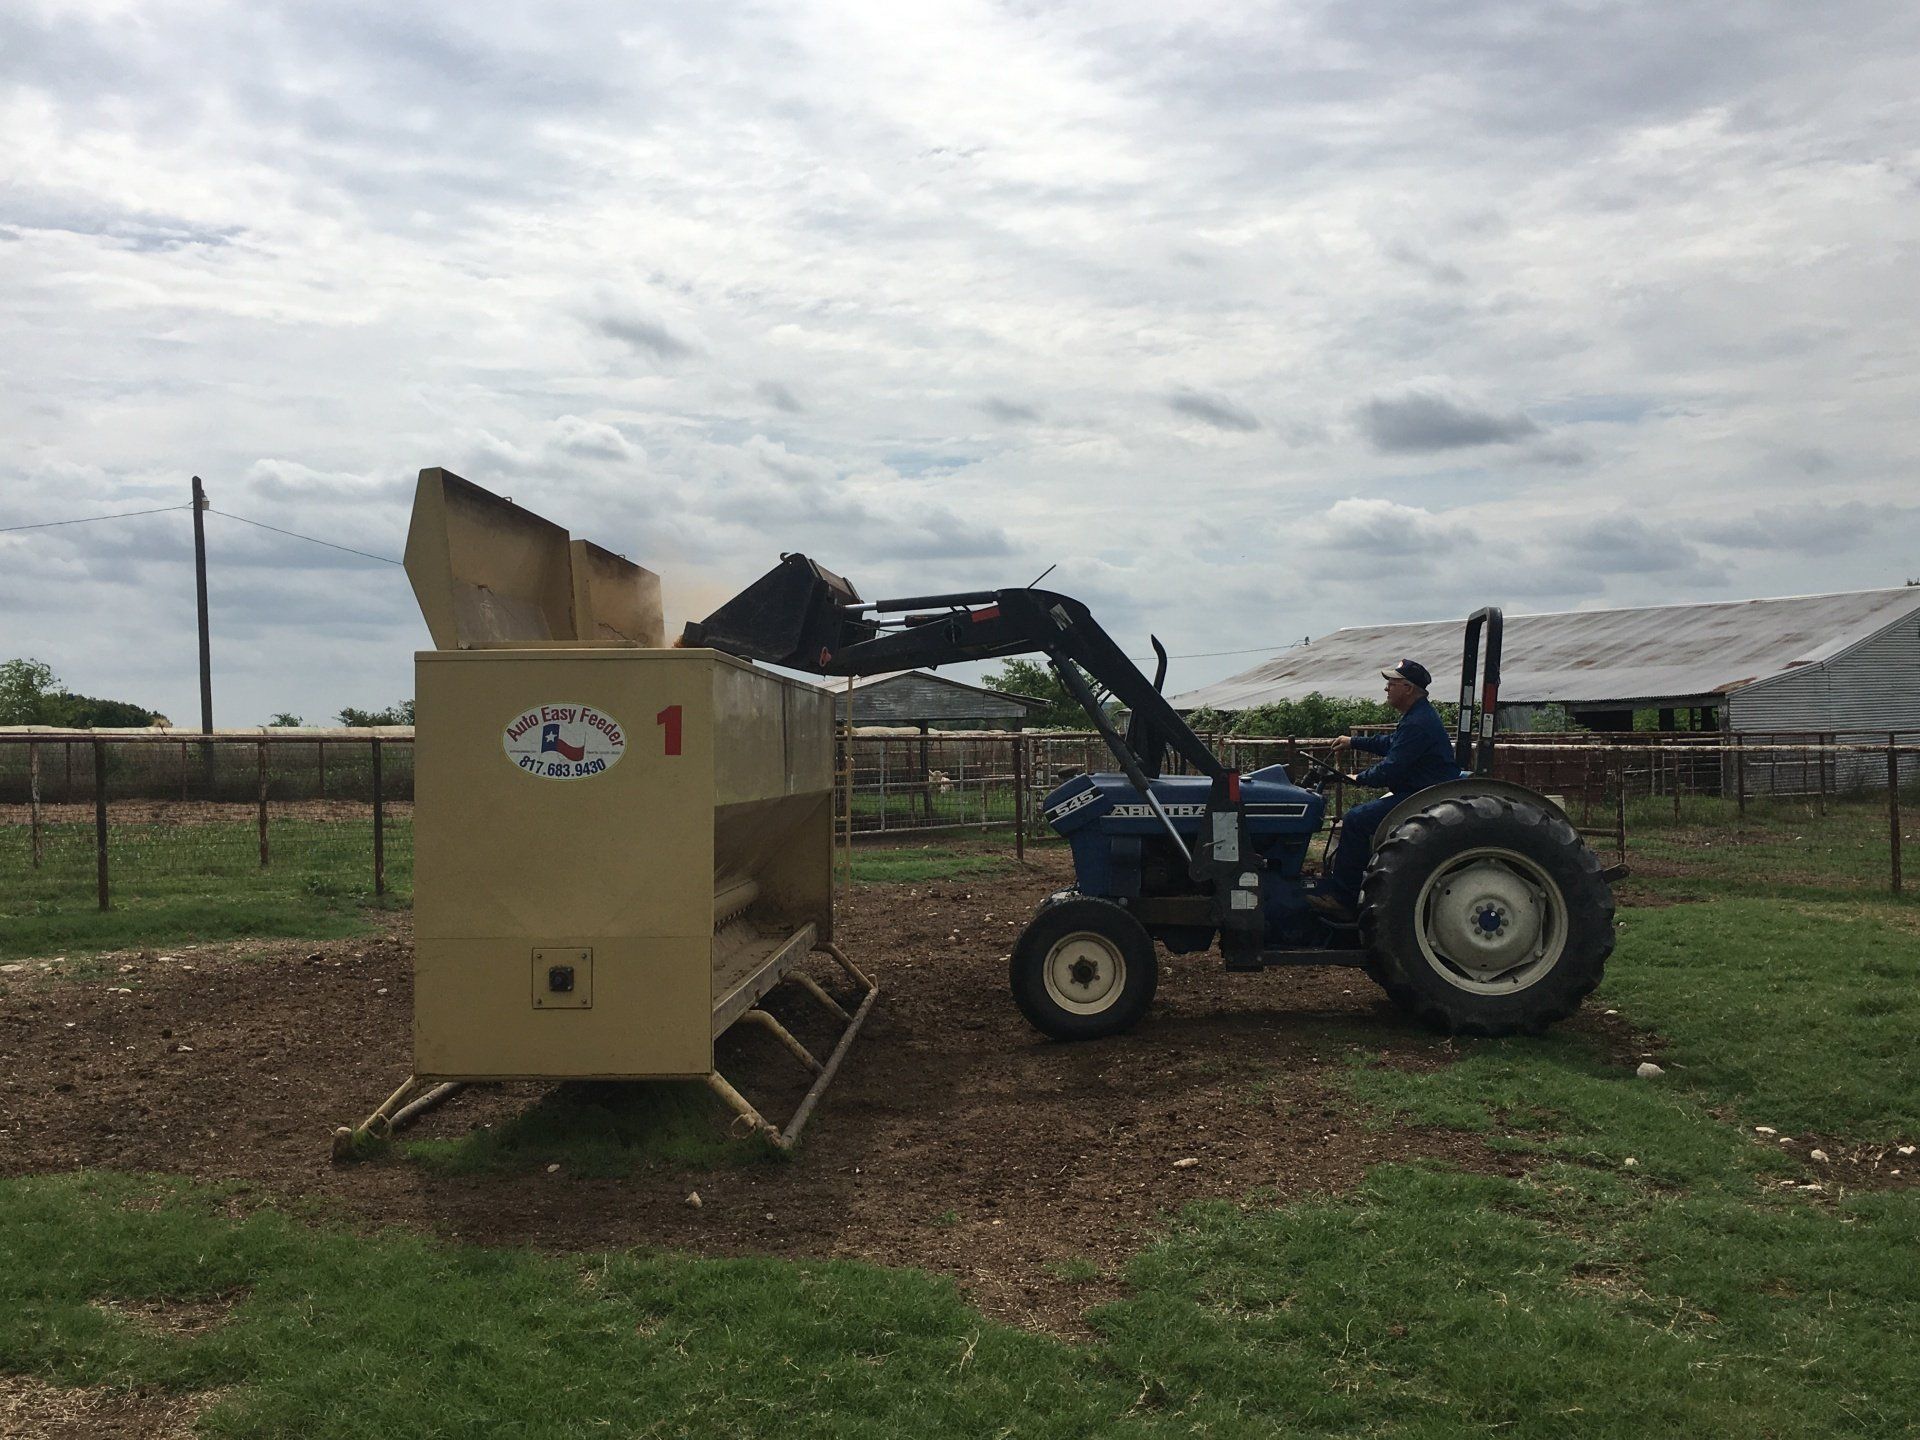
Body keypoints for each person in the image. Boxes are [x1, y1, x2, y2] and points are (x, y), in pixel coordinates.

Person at [1308, 659, 1460, 920]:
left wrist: (1358, 777)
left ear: (1408, 688)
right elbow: (1390, 743)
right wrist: (1353, 741)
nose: (1386, 688)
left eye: (1392, 683)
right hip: (1417, 790)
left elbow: (1391, 769)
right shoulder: (1417, 716)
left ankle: (1343, 899)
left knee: (1356, 820)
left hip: (1420, 795)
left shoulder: (1417, 723)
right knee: (1360, 818)